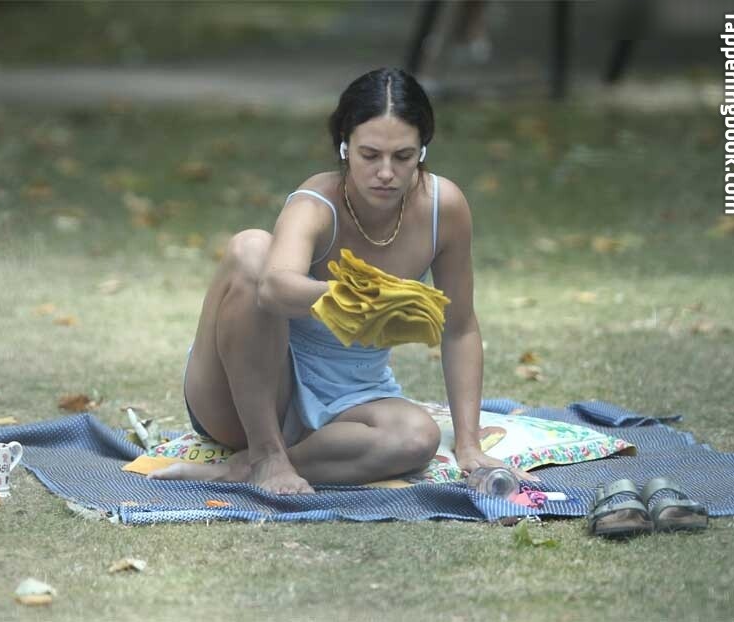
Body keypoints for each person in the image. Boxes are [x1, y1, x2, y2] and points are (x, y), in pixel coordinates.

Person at [149, 67, 536, 494]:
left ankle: (247, 469)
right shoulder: (316, 202)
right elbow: (274, 287)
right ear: (345, 147)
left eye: (403, 156)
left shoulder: (445, 208)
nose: (386, 172)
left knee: (417, 437)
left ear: (422, 151)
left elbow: (459, 327)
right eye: (370, 155)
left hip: (351, 399)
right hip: (248, 394)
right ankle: (265, 454)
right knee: (251, 249)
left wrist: (468, 445)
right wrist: (357, 297)